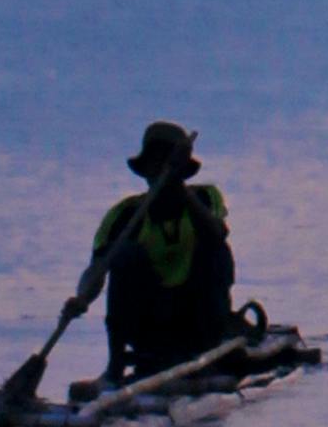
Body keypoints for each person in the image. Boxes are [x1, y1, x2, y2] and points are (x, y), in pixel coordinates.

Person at [42, 120, 241, 391]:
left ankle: (208, 356)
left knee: (217, 250)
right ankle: (115, 368)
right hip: (152, 322)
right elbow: (97, 269)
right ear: (145, 169)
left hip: (199, 318)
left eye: (167, 163)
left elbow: (217, 234)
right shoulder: (125, 215)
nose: (160, 170)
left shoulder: (205, 197)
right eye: (154, 163)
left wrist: (178, 189)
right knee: (124, 255)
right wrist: (82, 298)